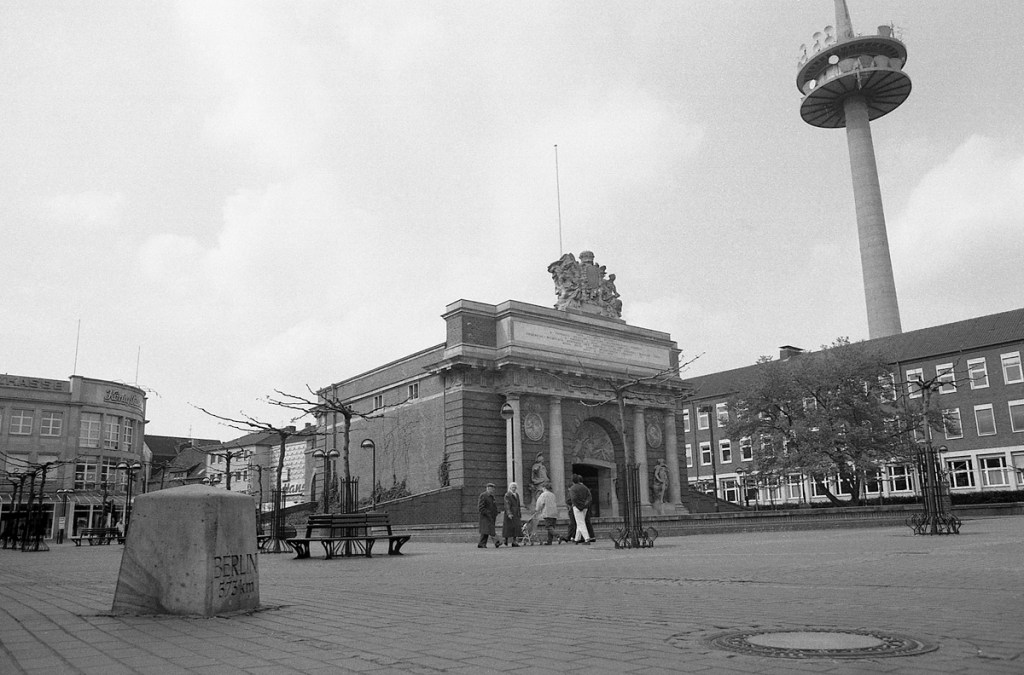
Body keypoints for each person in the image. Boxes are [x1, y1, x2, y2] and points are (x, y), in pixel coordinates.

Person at [568, 474, 593, 544]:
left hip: (577, 507)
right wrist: (585, 504)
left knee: (580, 523)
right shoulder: (585, 487)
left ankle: (587, 538)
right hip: (585, 507)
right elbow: (589, 497)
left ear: (572, 481)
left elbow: (573, 498)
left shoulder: (573, 488)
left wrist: (579, 506)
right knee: (580, 522)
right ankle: (577, 539)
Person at [477, 483, 501, 548]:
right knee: (488, 530)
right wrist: (488, 513)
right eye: (492, 489)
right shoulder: (483, 496)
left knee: (486, 530)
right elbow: (481, 507)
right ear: (488, 488)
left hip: (491, 516)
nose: (493, 490)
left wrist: (496, 512)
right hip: (485, 516)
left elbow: (493, 506)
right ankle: (497, 542)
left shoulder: (492, 497)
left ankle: (482, 543)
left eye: (493, 489)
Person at [502, 482, 522, 547]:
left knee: (516, 527)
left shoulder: (517, 495)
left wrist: (519, 513)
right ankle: (506, 540)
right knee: (508, 527)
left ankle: (514, 541)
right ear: (510, 488)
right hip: (510, 513)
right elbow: (507, 504)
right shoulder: (507, 495)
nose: (514, 488)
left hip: (516, 513)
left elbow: (518, 505)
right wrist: (509, 513)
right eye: (513, 487)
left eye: (515, 487)